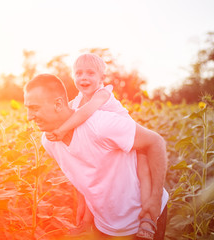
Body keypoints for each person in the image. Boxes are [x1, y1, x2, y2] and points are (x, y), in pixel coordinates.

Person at [23, 73, 169, 239]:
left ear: (58, 104)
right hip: (104, 224)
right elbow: (80, 170)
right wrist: (84, 207)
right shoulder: (48, 142)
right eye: (27, 108)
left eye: (34, 108)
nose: (28, 117)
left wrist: (155, 199)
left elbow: (156, 142)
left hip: (143, 219)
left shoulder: (100, 125)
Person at [45, 53, 154, 239]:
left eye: (90, 73)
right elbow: (66, 111)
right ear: (73, 77)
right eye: (78, 73)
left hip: (133, 143)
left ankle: (147, 219)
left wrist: (62, 130)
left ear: (102, 79)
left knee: (143, 175)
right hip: (110, 148)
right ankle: (87, 223)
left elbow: (85, 113)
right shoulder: (78, 99)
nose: (83, 78)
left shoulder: (102, 94)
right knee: (93, 181)